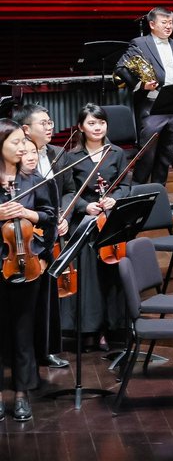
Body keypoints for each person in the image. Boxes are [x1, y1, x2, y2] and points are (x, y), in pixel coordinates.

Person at [59, 104, 131, 349]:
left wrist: (115, 198)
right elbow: (69, 191)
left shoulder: (117, 153)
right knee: (90, 277)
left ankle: (113, 328)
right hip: (85, 223)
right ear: (81, 127)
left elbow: (125, 186)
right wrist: (84, 207)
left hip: (110, 222)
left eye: (101, 122)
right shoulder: (71, 157)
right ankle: (88, 329)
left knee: (111, 276)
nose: (97, 127)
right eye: (91, 123)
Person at [0, 121, 56, 421]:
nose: (23, 147)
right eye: (15, 143)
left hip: (27, 265)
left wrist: (26, 212)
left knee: (23, 332)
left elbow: (49, 217)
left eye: (24, 141)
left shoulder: (34, 180)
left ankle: (21, 394)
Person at [15, 104, 69, 369]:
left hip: (50, 234)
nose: (50, 127)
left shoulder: (58, 154)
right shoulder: (16, 162)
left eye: (51, 122)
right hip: (26, 238)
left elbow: (66, 190)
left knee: (48, 294)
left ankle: (47, 348)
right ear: (25, 130)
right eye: (43, 123)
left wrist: (64, 216)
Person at [116, 6, 173, 185]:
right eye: (164, 23)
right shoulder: (140, 43)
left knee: (166, 155)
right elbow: (121, 67)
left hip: (172, 106)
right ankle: (137, 190)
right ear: (152, 24)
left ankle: (158, 192)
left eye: (171, 22)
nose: (169, 26)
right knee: (147, 154)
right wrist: (140, 85)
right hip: (151, 106)